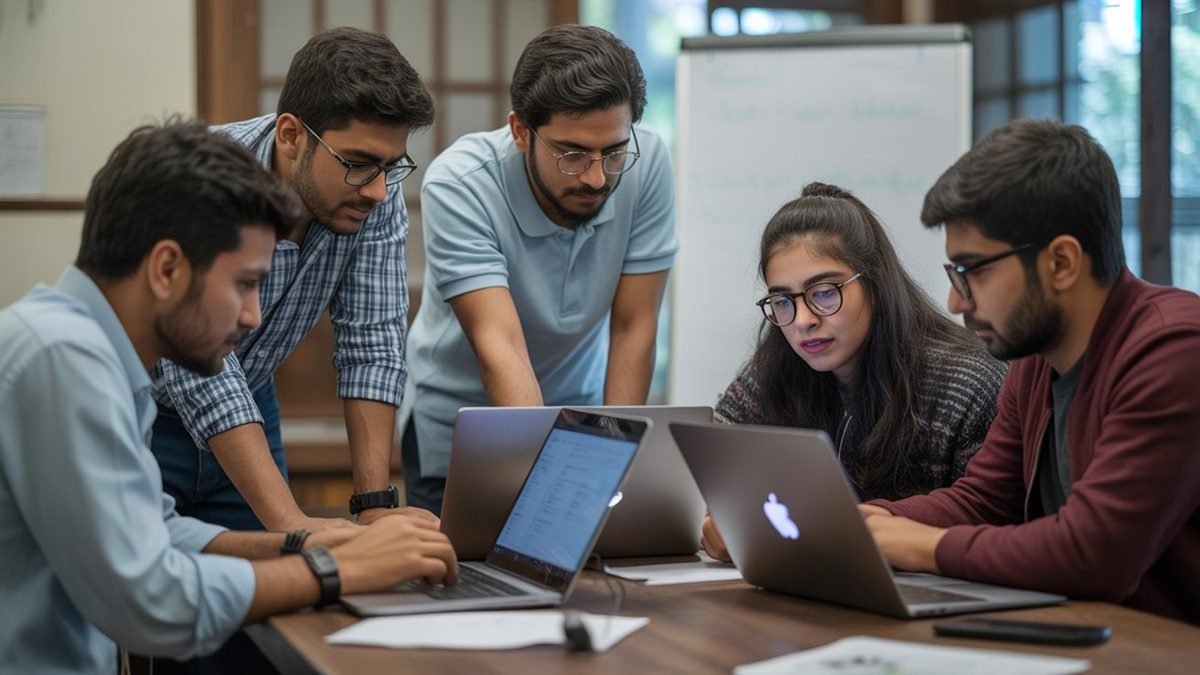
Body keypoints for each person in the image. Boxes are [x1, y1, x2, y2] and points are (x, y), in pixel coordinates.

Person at [0, 122, 457, 673]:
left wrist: (308, 542)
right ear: (167, 268)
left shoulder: (91, 353)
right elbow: (152, 601)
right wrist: (341, 572)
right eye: (244, 284)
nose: (254, 317)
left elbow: (158, 530)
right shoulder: (61, 358)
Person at [860, 118, 1200, 624]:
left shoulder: (1175, 350)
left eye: (973, 270)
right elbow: (986, 500)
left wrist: (925, 546)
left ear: (1061, 262)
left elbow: (1095, 554)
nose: (955, 300)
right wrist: (858, 524)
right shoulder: (1035, 359)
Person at [151, 27, 434, 532]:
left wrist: (374, 512)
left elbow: (372, 344)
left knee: (275, 595)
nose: (377, 190)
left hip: (252, 401)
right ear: (290, 135)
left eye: (392, 167)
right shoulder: (207, 178)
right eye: (359, 164)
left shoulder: (373, 192)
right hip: (147, 418)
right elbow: (201, 364)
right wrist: (291, 526)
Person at [403, 24, 678, 514]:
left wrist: (610, 455)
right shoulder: (461, 185)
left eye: (613, 152)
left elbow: (635, 324)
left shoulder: (648, 161)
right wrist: (553, 477)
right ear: (519, 131)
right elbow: (499, 343)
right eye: (571, 154)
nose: (596, 177)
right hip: (461, 427)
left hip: (579, 413)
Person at [701, 182, 1007, 562]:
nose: (803, 321)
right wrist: (720, 518)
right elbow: (710, 470)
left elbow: (993, 516)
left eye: (825, 292)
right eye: (783, 301)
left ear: (875, 284)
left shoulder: (968, 382)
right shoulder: (775, 366)